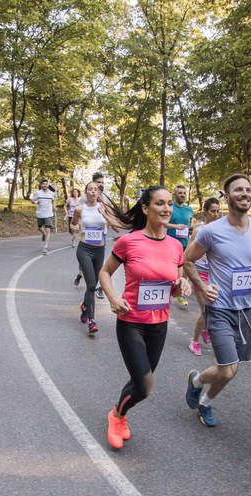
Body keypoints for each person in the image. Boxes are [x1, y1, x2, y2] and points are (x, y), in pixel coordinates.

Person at [182, 174, 251, 427]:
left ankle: (204, 398)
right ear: (227, 197)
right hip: (218, 308)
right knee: (228, 367)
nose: (244, 193)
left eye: (248, 189)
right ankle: (197, 382)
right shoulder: (211, 231)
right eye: (238, 190)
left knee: (232, 368)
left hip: (245, 310)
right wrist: (202, 285)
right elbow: (187, 260)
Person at [99, 186, 189, 449]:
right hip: (131, 322)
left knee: (141, 381)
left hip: (159, 324)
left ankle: (120, 413)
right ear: (146, 208)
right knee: (145, 385)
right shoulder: (129, 242)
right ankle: (116, 416)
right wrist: (114, 299)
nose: (166, 209)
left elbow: (175, 283)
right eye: (160, 203)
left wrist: (181, 286)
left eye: (169, 203)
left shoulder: (175, 246)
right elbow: (105, 272)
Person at [70, 181, 126, 336]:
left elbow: (115, 226)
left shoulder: (104, 208)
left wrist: (107, 216)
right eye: (90, 189)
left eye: (95, 189)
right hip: (84, 249)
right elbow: (73, 225)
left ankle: (85, 306)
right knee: (91, 285)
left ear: (98, 193)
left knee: (92, 286)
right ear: (86, 192)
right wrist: (74, 228)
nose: (93, 192)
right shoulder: (80, 208)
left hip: (99, 250)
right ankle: (92, 321)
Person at [187, 197, 221, 356]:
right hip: (199, 275)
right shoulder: (199, 230)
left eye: (218, 211)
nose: (216, 214)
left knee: (212, 310)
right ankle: (194, 342)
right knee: (206, 310)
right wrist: (185, 277)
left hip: (214, 275)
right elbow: (187, 254)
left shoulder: (222, 229)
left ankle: (205, 329)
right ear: (205, 212)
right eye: (213, 211)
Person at [167, 185, 194, 308]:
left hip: (185, 244)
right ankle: (167, 293)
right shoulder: (170, 208)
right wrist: (175, 226)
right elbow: (163, 224)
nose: (182, 195)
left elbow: (190, 223)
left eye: (184, 193)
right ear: (175, 194)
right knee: (171, 272)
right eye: (180, 193)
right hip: (170, 245)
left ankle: (180, 293)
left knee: (184, 271)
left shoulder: (189, 210)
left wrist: (191, 228)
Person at [31, 178, 56, 254]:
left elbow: (53, 200)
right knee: (40, 228)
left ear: (48, 185)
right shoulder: (38, 193)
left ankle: (45, 246)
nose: (45, 185)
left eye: (46, 184)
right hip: (40, 213)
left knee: (48, 230)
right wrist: (36, 202)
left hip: (48, 214)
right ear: (41, 185)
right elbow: (32, 200)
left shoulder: (51, 193)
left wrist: (54, 207)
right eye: (43, 184)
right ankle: (43, 233)